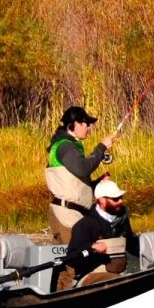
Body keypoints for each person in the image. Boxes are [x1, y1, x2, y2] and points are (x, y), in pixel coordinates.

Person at [45, 105, 116, 246]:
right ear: (75, 124)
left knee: (81, 262)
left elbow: (77, 183)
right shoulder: (64, 146)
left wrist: (97, 183)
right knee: (73, 264)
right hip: (66, 215)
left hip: (76, 215)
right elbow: (83, 169)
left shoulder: (72, 147)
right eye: (87, 123)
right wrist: (101, 147)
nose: (89, 127)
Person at [66, 178, 141, 286]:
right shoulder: (86, 224)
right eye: (115, 199)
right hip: (90, 276)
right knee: (119, 283)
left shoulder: (121, 217)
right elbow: (72, 258)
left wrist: (149, 251)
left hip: (117, 273)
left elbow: (131, 243)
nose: (120, 201)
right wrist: (91, 247)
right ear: (101, 200)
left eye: (120, 197)